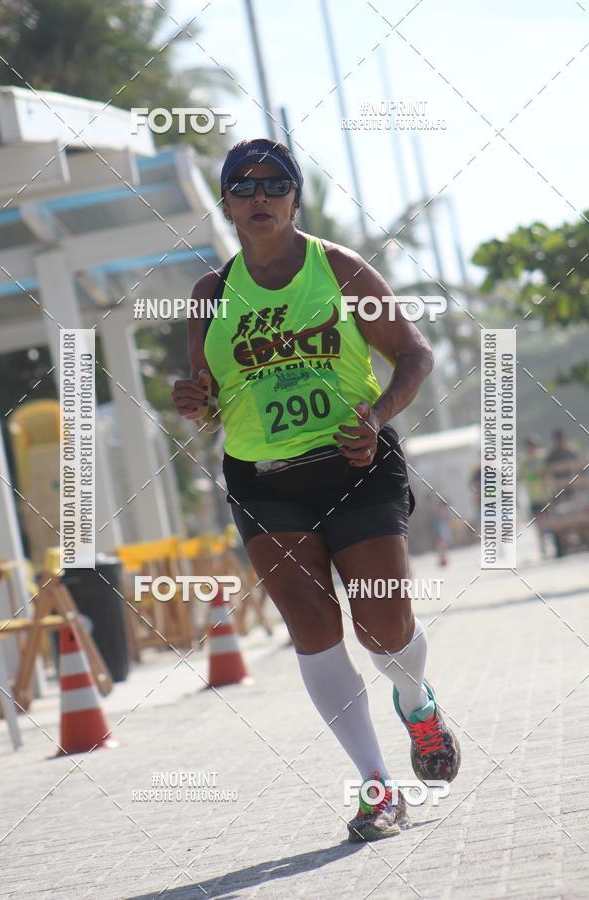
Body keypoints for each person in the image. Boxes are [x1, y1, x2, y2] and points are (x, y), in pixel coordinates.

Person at [172, 138, 460, 842]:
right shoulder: (211, 295)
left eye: (275, 184)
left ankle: (416, 703)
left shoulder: (340, 271)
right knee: (312, 624)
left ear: (296, 197)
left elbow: (415, 354)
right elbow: (211, 401)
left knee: (382, 626)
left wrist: (377, 414)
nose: (259, 196)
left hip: (354, 463)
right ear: (229, 204)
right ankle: (375, 787)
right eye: (244, 186)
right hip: (264, 479)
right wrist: (194, 401)